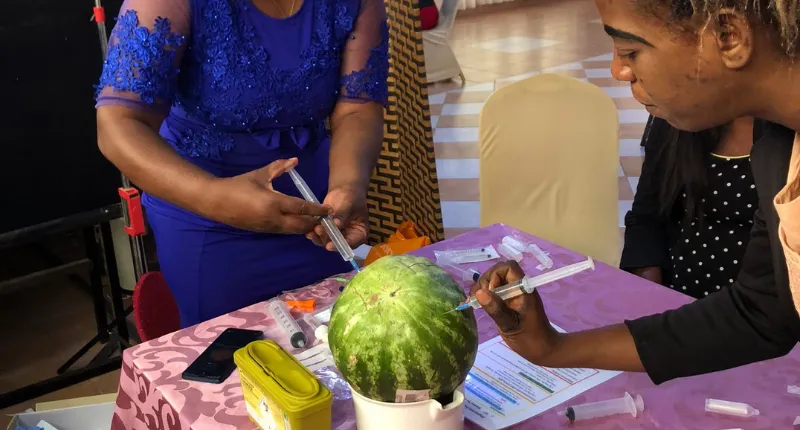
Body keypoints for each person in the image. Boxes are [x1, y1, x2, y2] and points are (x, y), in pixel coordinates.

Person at [470, 0, 800, 385]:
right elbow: (761, 308)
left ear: (729, 37)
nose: (618, 70)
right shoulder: (778, 146)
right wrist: (553, 348)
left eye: (631, 52)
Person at [95, 0, 388, 327]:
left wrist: (349, 185)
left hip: (316, 213)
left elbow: (358, 109)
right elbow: (118, 124)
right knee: (235, 358)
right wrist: (216, 198)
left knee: (331, 338)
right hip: (204, 217)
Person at [621, 115, 759, 299]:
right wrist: (652, 297)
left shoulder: (785, 131)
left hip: (761, 310)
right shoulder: (673, 117)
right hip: (677, 298)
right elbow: (647, 217)